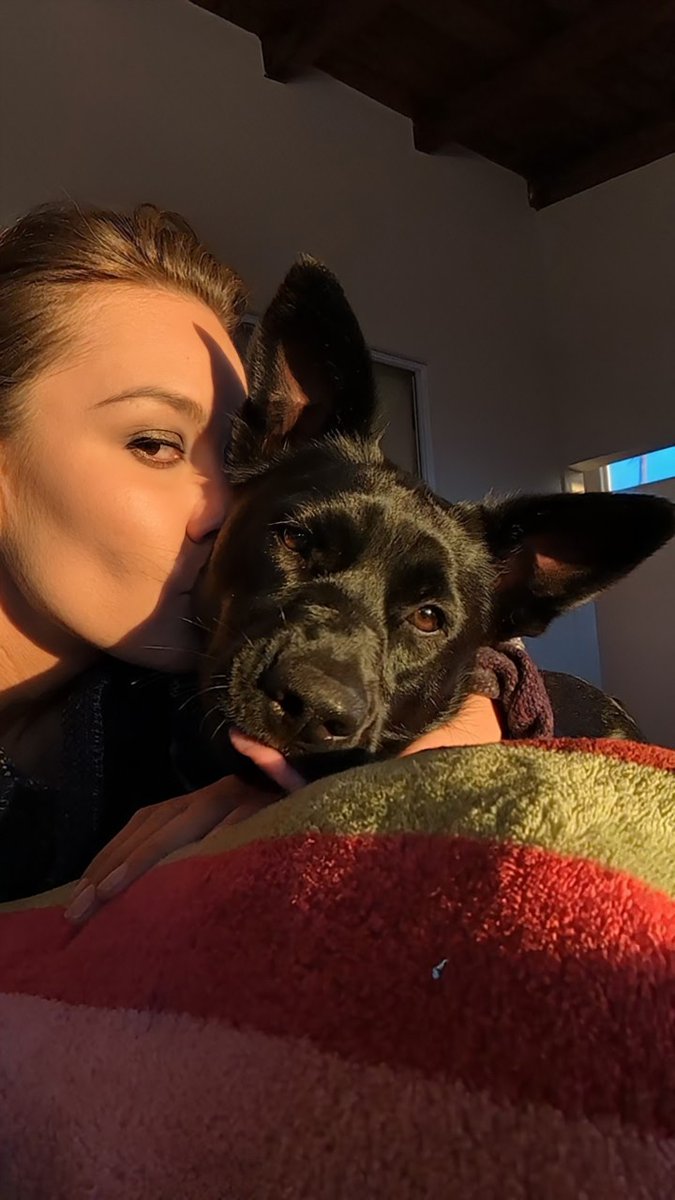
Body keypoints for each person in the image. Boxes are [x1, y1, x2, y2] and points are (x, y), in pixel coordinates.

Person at [0, 200, 502, 915]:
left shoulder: (173, 700)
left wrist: (467, 709)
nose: (233, 508)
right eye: (155, 444)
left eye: (238, 459)